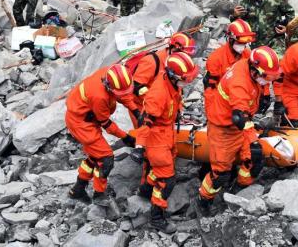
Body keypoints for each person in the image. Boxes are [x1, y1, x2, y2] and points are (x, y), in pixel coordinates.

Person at [197, 46, 281, 216]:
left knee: (255, 160)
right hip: (224, 128)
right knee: (220, 174)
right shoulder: (239, 83)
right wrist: (253, 139)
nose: (268, 81)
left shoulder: (249, 66)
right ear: (254, 70)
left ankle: (238, 190)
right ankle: (204, 200)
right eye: (265, 77)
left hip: (241, 124)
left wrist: (266, 94)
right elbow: (239, 117)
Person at [135, 52, 199, 233]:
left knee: (164, 167)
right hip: (156, 136)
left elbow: (175, 100)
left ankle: (145, 190)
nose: (187, 82)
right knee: (167, 180)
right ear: (173, 75)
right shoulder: (158, 93)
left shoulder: (172, 83)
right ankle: (156, 218)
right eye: (185, 79)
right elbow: (145, 121)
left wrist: (178, 111)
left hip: (167, 132)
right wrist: (140, 146)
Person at [66, 64, 139, 206]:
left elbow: (123, 94)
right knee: (106, 158)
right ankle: (99, 194)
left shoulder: (112, 75)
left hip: (87, 117)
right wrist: (126, 137)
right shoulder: (99, 97)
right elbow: (106, 124)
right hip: (81, 124)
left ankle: (77, 190)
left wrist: (135, 109)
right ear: (108, 87)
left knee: (95, 156)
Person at [122, 32, 196, 129]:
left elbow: (175, 88)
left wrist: (178, 109)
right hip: (143, 107)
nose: (185, 58)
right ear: (174, 49)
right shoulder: (151, 61)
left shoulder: (176, 65)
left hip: (161, 107)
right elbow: (137, 86)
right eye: (184, 54)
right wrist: (157, 102)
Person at [231, 0, 295, 56]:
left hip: (275, 40)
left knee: (277, 62)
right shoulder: (245, 3)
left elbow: (290, 13)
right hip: (255, 43)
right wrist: (235, 16)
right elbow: (238, 26)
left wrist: (286, 27)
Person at [203, 19, 254, 114]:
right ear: (230, 38)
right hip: (222, 105)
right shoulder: (216, 58)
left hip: (241, 103)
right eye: (240, 42)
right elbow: (210, 88)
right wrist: (211, 110)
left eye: (245, 43)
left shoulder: (248, 55)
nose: (243, 46)